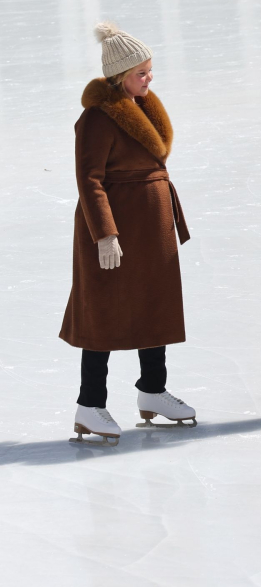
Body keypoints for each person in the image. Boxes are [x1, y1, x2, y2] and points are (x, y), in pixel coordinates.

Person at [60, 22, 195, 445]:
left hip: (151, 230)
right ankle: (89, 404)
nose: (149, 78)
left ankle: (153, 391)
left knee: (154, 307)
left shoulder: (143, 106)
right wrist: (105, 234)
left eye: (150, 69)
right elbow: (90, 180)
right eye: (142, 72)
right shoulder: (97, 120)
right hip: (116, 233)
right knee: (104, 312)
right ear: (119, 76)